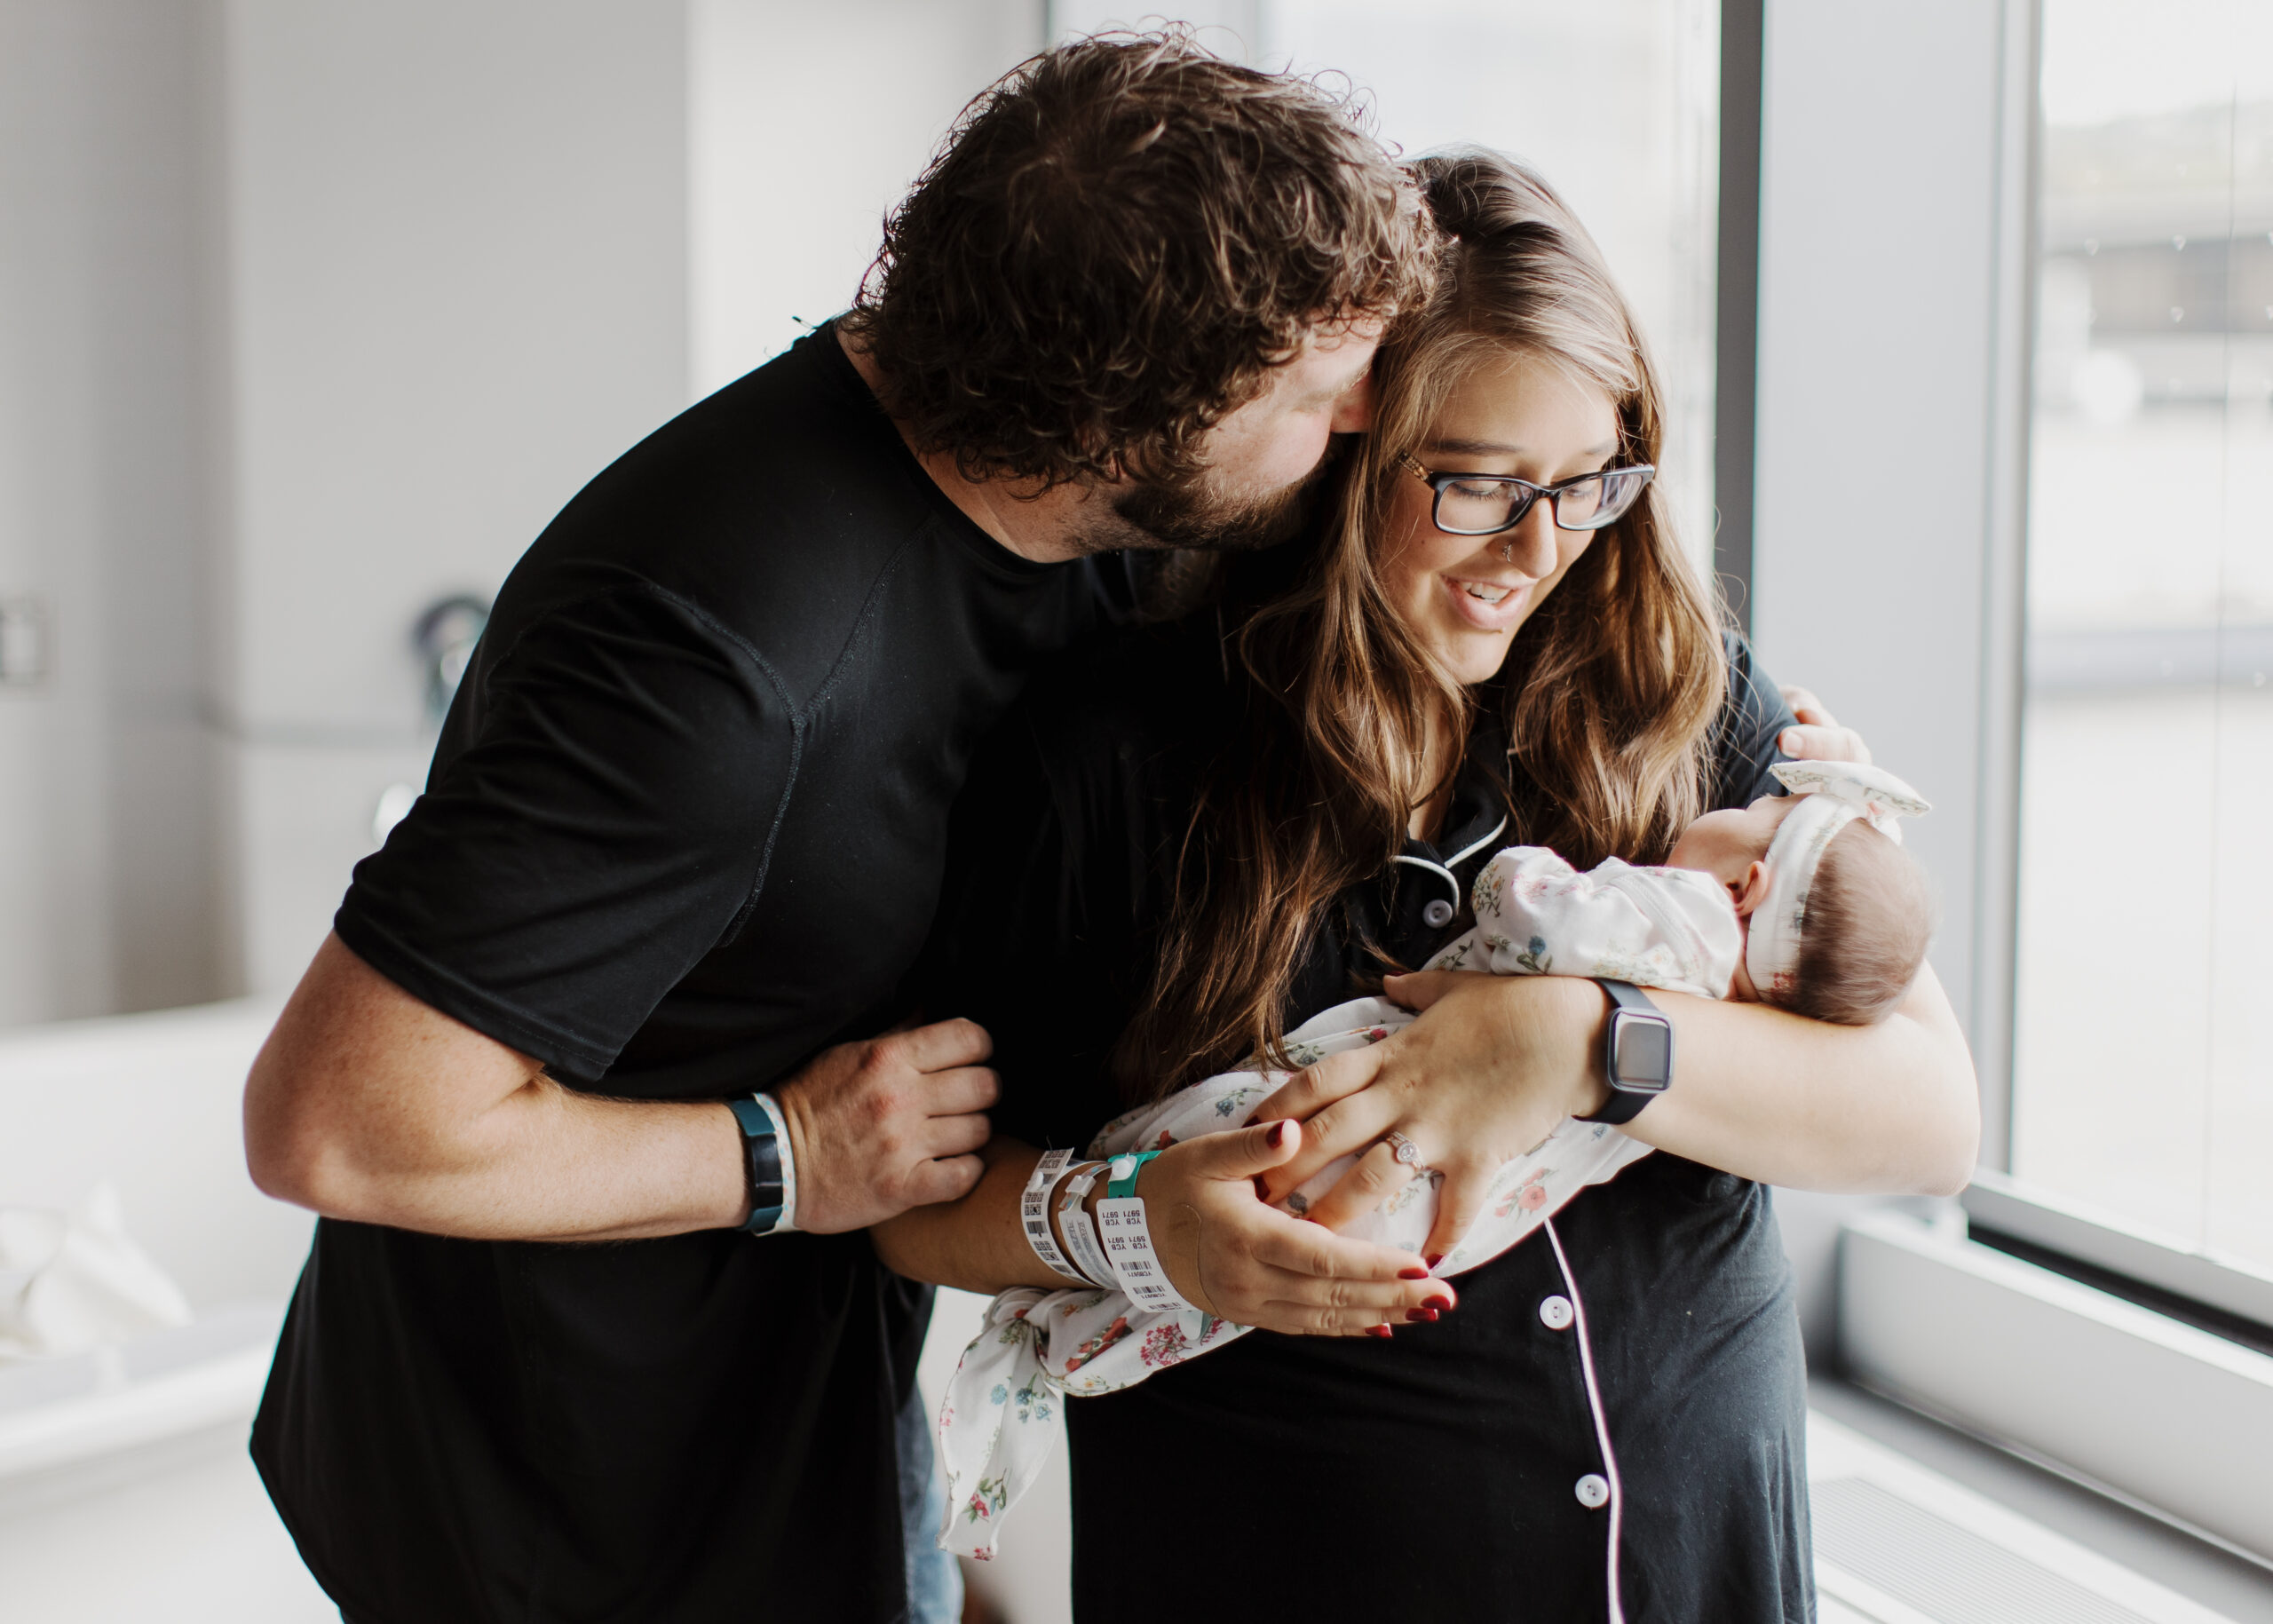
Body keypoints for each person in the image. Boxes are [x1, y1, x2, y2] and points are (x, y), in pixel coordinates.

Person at [236, 36, 1445, 1624]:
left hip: (797, 1407)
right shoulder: (719, 662)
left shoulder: (1038, 482)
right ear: (1125, 419)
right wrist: (786, 1153)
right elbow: (330, 1120)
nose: (1365, 416)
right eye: (1312, 388)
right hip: (568, 1504)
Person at [877, 149, 1978, 1621]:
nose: (1540, 552)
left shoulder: (1678, 696)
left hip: (1697, 1557)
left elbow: (1933, 1117)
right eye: (1477, 487)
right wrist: (1142, 1221)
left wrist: (1588, 1043)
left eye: (1588, 483)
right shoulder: (1109, 764)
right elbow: (916, 1198)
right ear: (1337, 454)